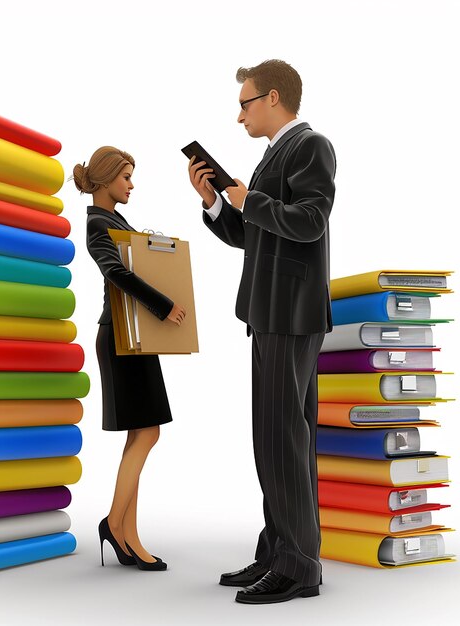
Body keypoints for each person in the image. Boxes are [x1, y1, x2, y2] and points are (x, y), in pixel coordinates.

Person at [187, 59, 336, 604]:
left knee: (284, 441)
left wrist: (250, 199)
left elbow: (311, 221)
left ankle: (300, 568)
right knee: (276, 440)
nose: (239, 114)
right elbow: (255, 237)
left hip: (291, 313)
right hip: (269, 311)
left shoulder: (311, 146)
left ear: (273, 98)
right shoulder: (275, 154)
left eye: (245, 103)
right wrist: (215, 202)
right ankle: (279, 551)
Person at [75, 146, 186, 572]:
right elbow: (117, 273)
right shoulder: (97, 224)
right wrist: (164, 305)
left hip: (131, 336)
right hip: (121, 336)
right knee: (147, 434)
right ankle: (114, 522)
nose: (131, 184)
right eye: (125, 177)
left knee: (140, 434)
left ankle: (128, 536)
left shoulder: (114, 221)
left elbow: (134, 263)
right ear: (104, 182)